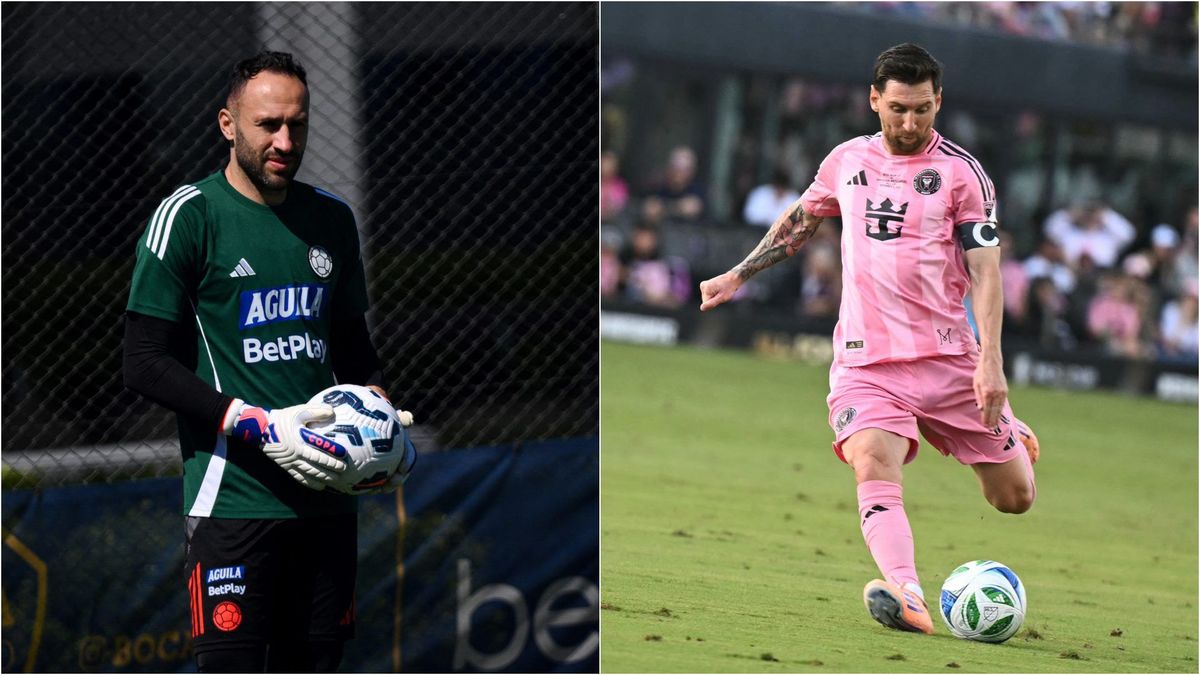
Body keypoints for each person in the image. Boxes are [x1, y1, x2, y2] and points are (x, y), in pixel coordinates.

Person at [698, 43, 1040, 636]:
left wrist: (990, 363)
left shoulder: (962, 174)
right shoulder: (846, 161)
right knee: (871, 460)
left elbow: (986, 271)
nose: (910, 124)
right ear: (874, 99)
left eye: (923, 111)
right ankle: (907, 594)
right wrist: (738, 273)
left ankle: (1014, 433)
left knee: (1013, 499)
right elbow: (799, 222)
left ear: (939, 103)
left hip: (949, 361)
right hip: (867, 363)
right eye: (899, 109)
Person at [123, 51, 414, 672]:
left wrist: (381, 418)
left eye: (298, 125)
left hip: (327, 496)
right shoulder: (188, 217)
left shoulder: (332, 218)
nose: (285, 141)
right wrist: (254, 422)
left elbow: (352, 347)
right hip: (233, 498)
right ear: (228, 124)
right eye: (268, 125)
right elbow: (143, 363)